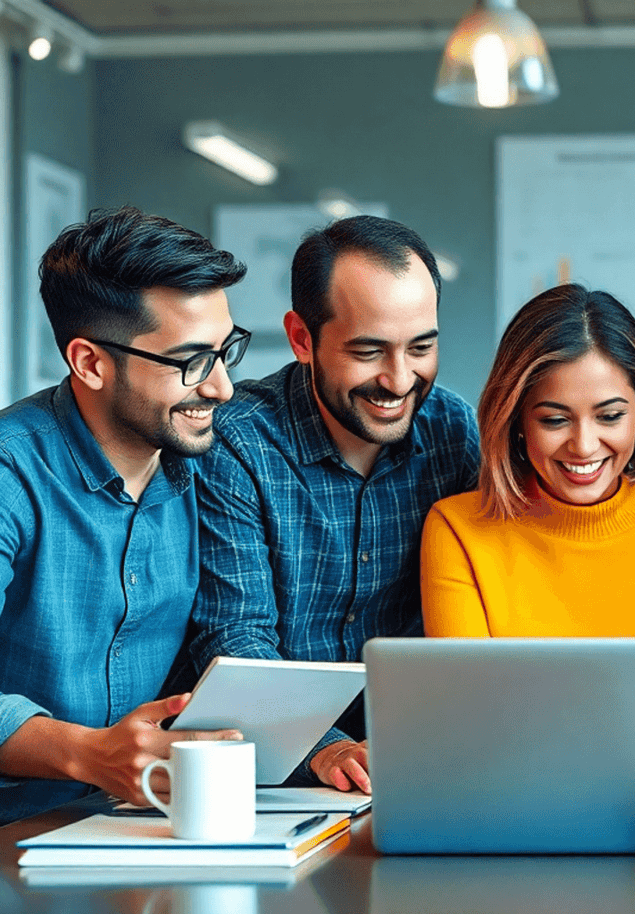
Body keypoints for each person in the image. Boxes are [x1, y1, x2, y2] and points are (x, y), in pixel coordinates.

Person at [0, 206, 250, 867]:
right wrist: (90, 753)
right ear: (90, 362)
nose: (222, 386)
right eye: (190, 361)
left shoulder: (205, 465)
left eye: (225, 350)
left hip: (119, 835)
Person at [186, 215, 479, 794]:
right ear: (302, 339)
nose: (399, 380)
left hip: (420, 760)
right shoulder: (238, 443)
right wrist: (328, 749)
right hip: (277, 772)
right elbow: (234, 638)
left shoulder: (450, 430)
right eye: (368, 351)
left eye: (421, 347)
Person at [421, 284, 635, 642]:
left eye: (610, 416)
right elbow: (466, 695)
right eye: (554, 420)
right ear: (517, 422)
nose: (584, 446)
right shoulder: (457, 530)